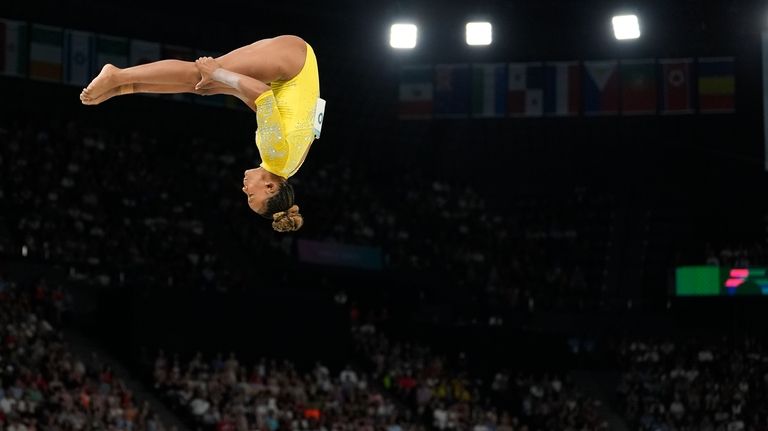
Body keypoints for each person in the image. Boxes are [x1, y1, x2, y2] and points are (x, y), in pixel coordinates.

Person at [80, 35, 322, 232]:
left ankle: (121, 88)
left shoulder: (288, 166)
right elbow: (263, 95)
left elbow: (281, 111)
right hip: (293, 62)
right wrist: (217, 73)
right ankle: (117, 75)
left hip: (296, 63)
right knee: (200, 75)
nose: (244, 190)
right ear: (270, 188)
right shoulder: (275, 156)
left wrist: (228, 88)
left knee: (204, 87)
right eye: (251, 197)